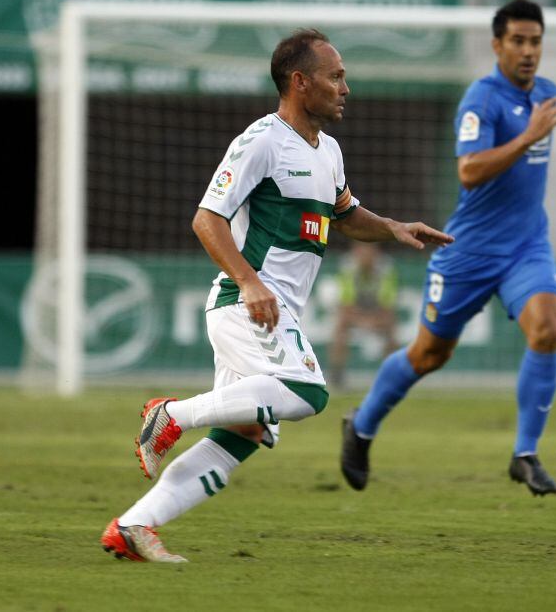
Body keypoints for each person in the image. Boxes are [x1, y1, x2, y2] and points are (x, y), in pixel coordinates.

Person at [100, 29, 453, 563]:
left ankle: (132, 526)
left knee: (246, 432)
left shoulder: (328, 151)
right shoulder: (260, 141)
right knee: (308, 393)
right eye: (335, 77)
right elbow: (206, 219)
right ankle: (170, 413)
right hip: (245, 304)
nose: (345, 87)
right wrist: (248, 280)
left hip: (269, 307)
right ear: (299, 82)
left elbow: (345, 215)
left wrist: (394, 228)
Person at [340, 0, 556, 496]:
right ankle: (360, 426)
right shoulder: (480, 100)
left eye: (535, 41)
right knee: (428, 355)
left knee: (547, 330)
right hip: (469, 250)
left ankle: (525, 454)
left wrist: (532, 134)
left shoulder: (547, 94)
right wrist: (528, 136)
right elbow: (469, 171)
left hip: (527, 246)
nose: (528, 51)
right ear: (497, 45)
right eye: (518, 41)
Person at [327, 242, 400, 389]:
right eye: (361, 251)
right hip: (355, 312)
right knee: (340, 325)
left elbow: (388, 305)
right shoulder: (348, 267)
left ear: (376, 252)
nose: (365, 256)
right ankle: (337, 373)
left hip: (376, 312)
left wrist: (373, 320)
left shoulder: (386, 269)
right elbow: (346, 304)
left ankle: (392, 375)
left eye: (369, 251)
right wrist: (362, 320)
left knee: (391, 325)